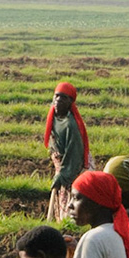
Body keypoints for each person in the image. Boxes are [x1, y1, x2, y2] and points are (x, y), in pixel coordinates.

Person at [44, 82, 91, 222]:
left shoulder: (71, 125)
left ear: (70, 102)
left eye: (63, 98)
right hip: (63, 163)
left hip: (73, 167)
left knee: (73, 198)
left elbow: (74, 156)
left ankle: (68, 224)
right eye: (56, 96)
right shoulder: (53, 116)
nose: (58, 100)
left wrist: (62, 175)